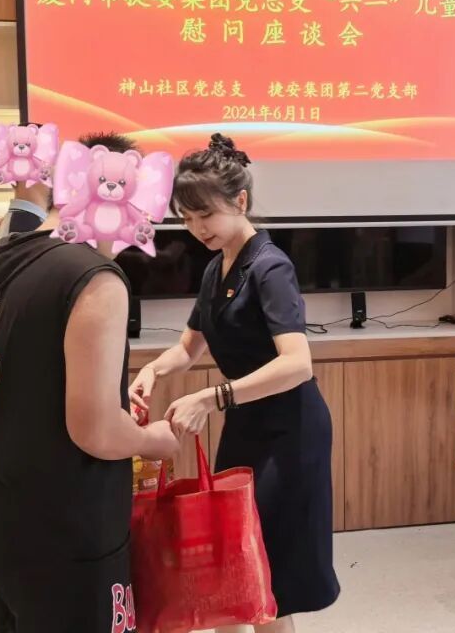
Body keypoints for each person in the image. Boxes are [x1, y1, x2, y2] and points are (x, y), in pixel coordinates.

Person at [0, 131, 178, 633]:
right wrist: (153, 440)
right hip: (69, 525)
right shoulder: (95, 277)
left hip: (4, 509)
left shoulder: (0, 262)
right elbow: (95, 430)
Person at [130, 134, 340, 632]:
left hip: (290, 430)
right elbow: (189, 348)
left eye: (205, 214)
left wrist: (213, 396)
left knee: (268, 575)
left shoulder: (271, 267)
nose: (196, 228)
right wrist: (153, 369)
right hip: (246, 424)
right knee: (232, 561)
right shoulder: (215, 268)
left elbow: (297, 363)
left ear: (240, 201)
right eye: (186, 218)